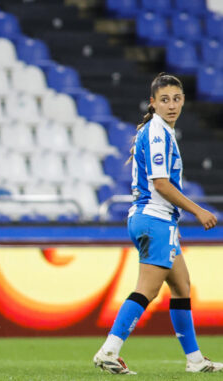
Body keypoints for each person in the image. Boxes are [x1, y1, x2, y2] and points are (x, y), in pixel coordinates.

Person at [93, 73, 223, 374]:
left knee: (181, 286)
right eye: (164, 99)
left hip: (153, 219)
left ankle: (194, 361)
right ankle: (109, 350)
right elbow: (162, 184)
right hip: (154, 219)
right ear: (153, 103)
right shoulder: (157, 132)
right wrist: (198, 210)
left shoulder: (161, 130)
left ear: (183, 101)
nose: (172, 105)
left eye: (177, 99)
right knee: (147, 290)